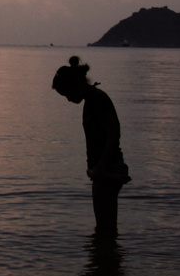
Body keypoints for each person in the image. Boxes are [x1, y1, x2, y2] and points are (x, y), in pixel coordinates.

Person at [53, 56, 131, 236]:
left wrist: (101, 169)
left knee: (105, 229)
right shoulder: (91, 101)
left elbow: (113, 135)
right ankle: (106, 261)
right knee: (105, 228)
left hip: (107, 170)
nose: (68, 99)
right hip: (102, 170)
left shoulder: (98, 99)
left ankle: (105, 261)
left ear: (75, 84)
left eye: (67, 94)